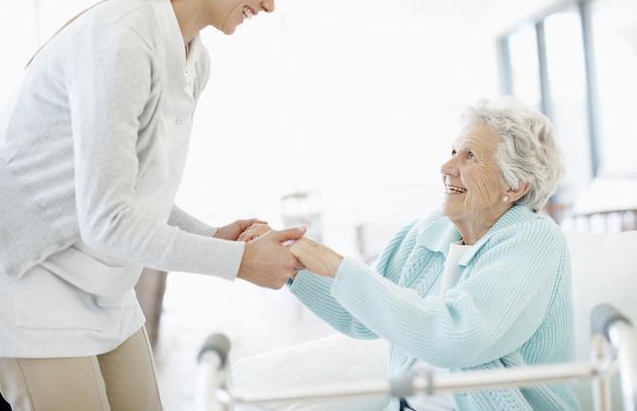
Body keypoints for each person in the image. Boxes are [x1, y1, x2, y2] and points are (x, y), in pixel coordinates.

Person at [0, 0, 303, 409]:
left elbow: (134, 191)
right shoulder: (123, 39)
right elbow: (107, 219)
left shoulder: (194, 60)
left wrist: (214, 236)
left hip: (105, 285)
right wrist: (238, 263)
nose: (270, 3)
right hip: (35, 276)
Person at [240, 98, 581, 411]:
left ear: (515, 185)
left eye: (470, 156)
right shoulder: (430, 231)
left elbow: (454, 336)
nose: (447, 167)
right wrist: (294, 263)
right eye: (453, 151)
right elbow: (363, 315)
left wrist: (336, 264)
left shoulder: (533, 241)